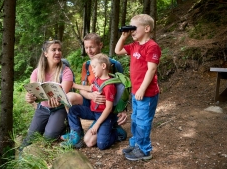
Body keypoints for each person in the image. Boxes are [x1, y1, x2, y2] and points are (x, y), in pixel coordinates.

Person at [62, 33, 127, 143]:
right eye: (86, 47)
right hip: (92, 103)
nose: (89, 51)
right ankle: (76, 132)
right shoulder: (86, 65)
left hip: (107, 107)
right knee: (68, 97)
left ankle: (113, 127)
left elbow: (123, 89)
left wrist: (123, 109)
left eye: (91, 47)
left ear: (100, 45)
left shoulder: (114, 65)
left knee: (90, 141)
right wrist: (90, 95)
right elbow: (84, 88)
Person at [115, 14, 161, 161]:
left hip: (146, 93)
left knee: (143, 121)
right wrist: (123, 37)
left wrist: (141, 89)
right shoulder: (135, 45)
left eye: (134, 28)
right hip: (136, 92)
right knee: (135, 120)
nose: (132, 31)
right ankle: (136, 145)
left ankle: (144, 150)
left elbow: (151, 69)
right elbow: (117, 51)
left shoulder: (152, 46)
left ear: (147, 28)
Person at [20, 39, 74, 150]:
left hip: (59, 109)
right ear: (45, 53)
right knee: (30, 138)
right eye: (53, 50)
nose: (58, 52)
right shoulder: (36, 72)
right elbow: (33, 94)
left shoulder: (66, 71)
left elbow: (63, 94)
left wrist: (57, 100)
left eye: (59, 49)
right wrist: (30, 98)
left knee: (49, 137)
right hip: (42, 109)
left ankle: (65, 127)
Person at [61, 53, 118, 150]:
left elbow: (109, 108)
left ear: (103, 66)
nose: (93, 70)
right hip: (93, 112)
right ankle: (76, 134)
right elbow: (90, 88)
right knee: (73, 110)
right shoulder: (97, 79)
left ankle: (116, 132)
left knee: (102, 145)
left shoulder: (109, 86)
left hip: (105, 116)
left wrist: (97, 124)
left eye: (94, 67)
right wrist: (74, 85)